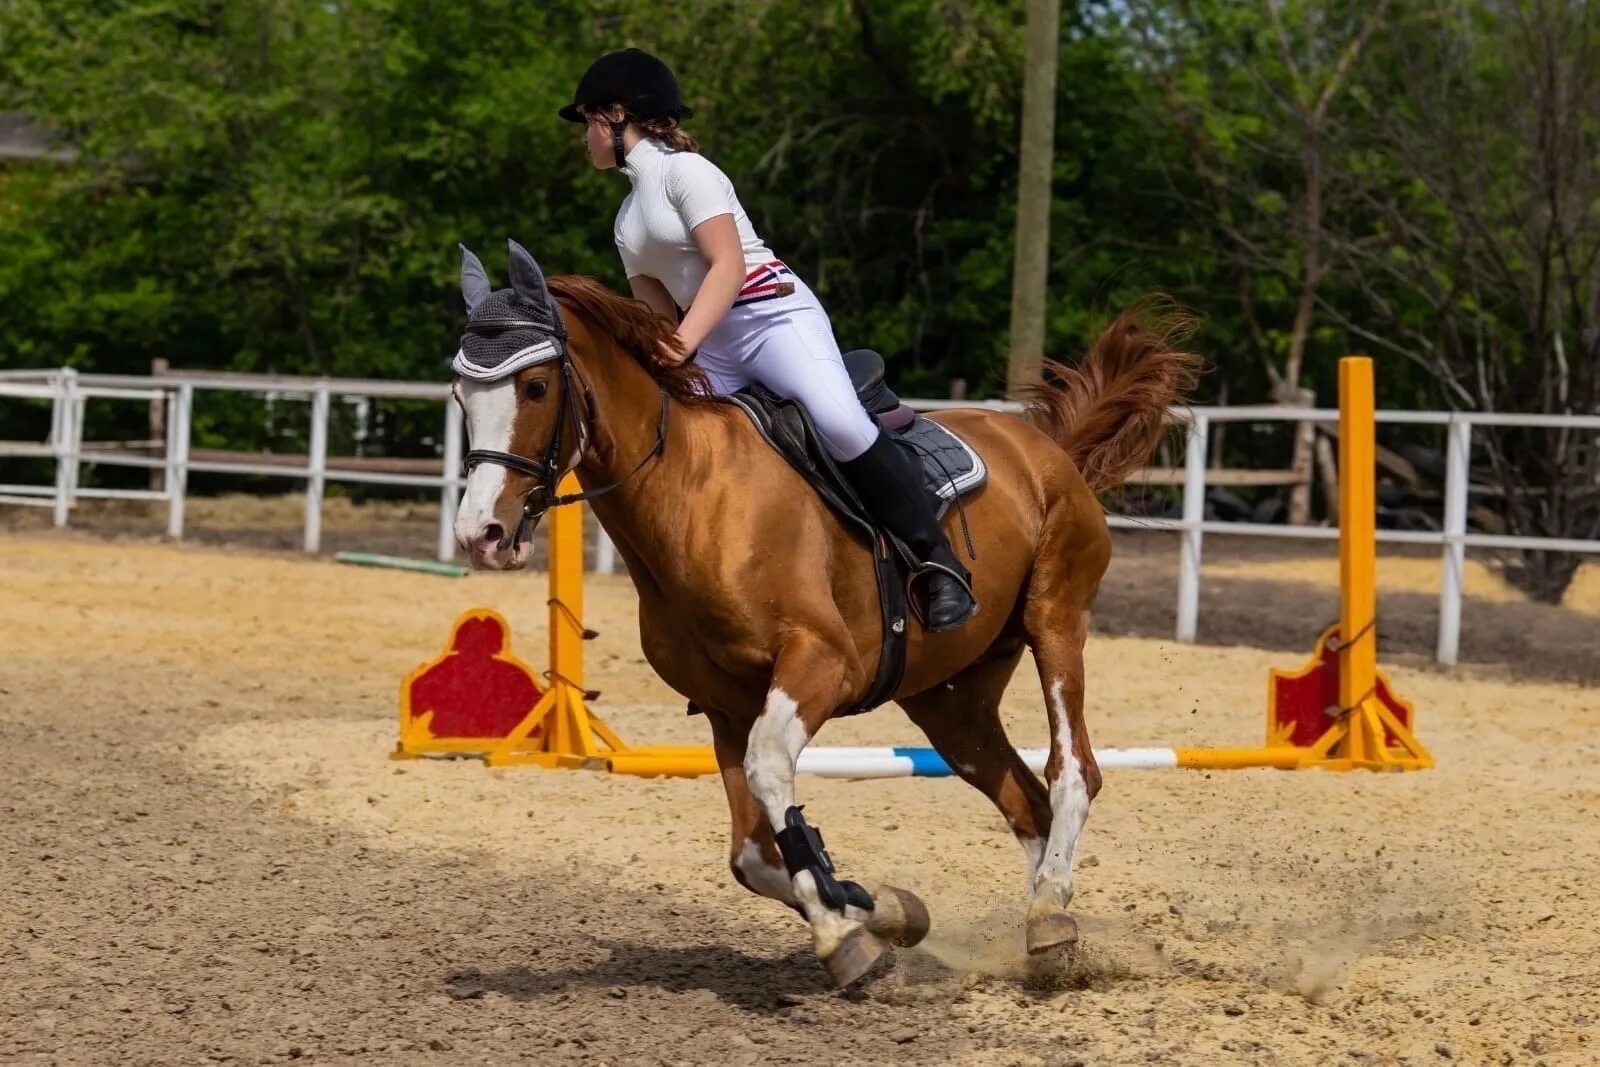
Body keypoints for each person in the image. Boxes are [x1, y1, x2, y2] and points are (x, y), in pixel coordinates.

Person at [558, 48, 977, 631]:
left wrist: (681, 346)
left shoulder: (688, 174)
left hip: (773, 319)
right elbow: (656, 310)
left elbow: (727, 267)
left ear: (619, 114)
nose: (584, 138)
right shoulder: (627, 219)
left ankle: (938, 563)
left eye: (586, 121)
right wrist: (660, 356)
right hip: (710, 340)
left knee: (841, 424)